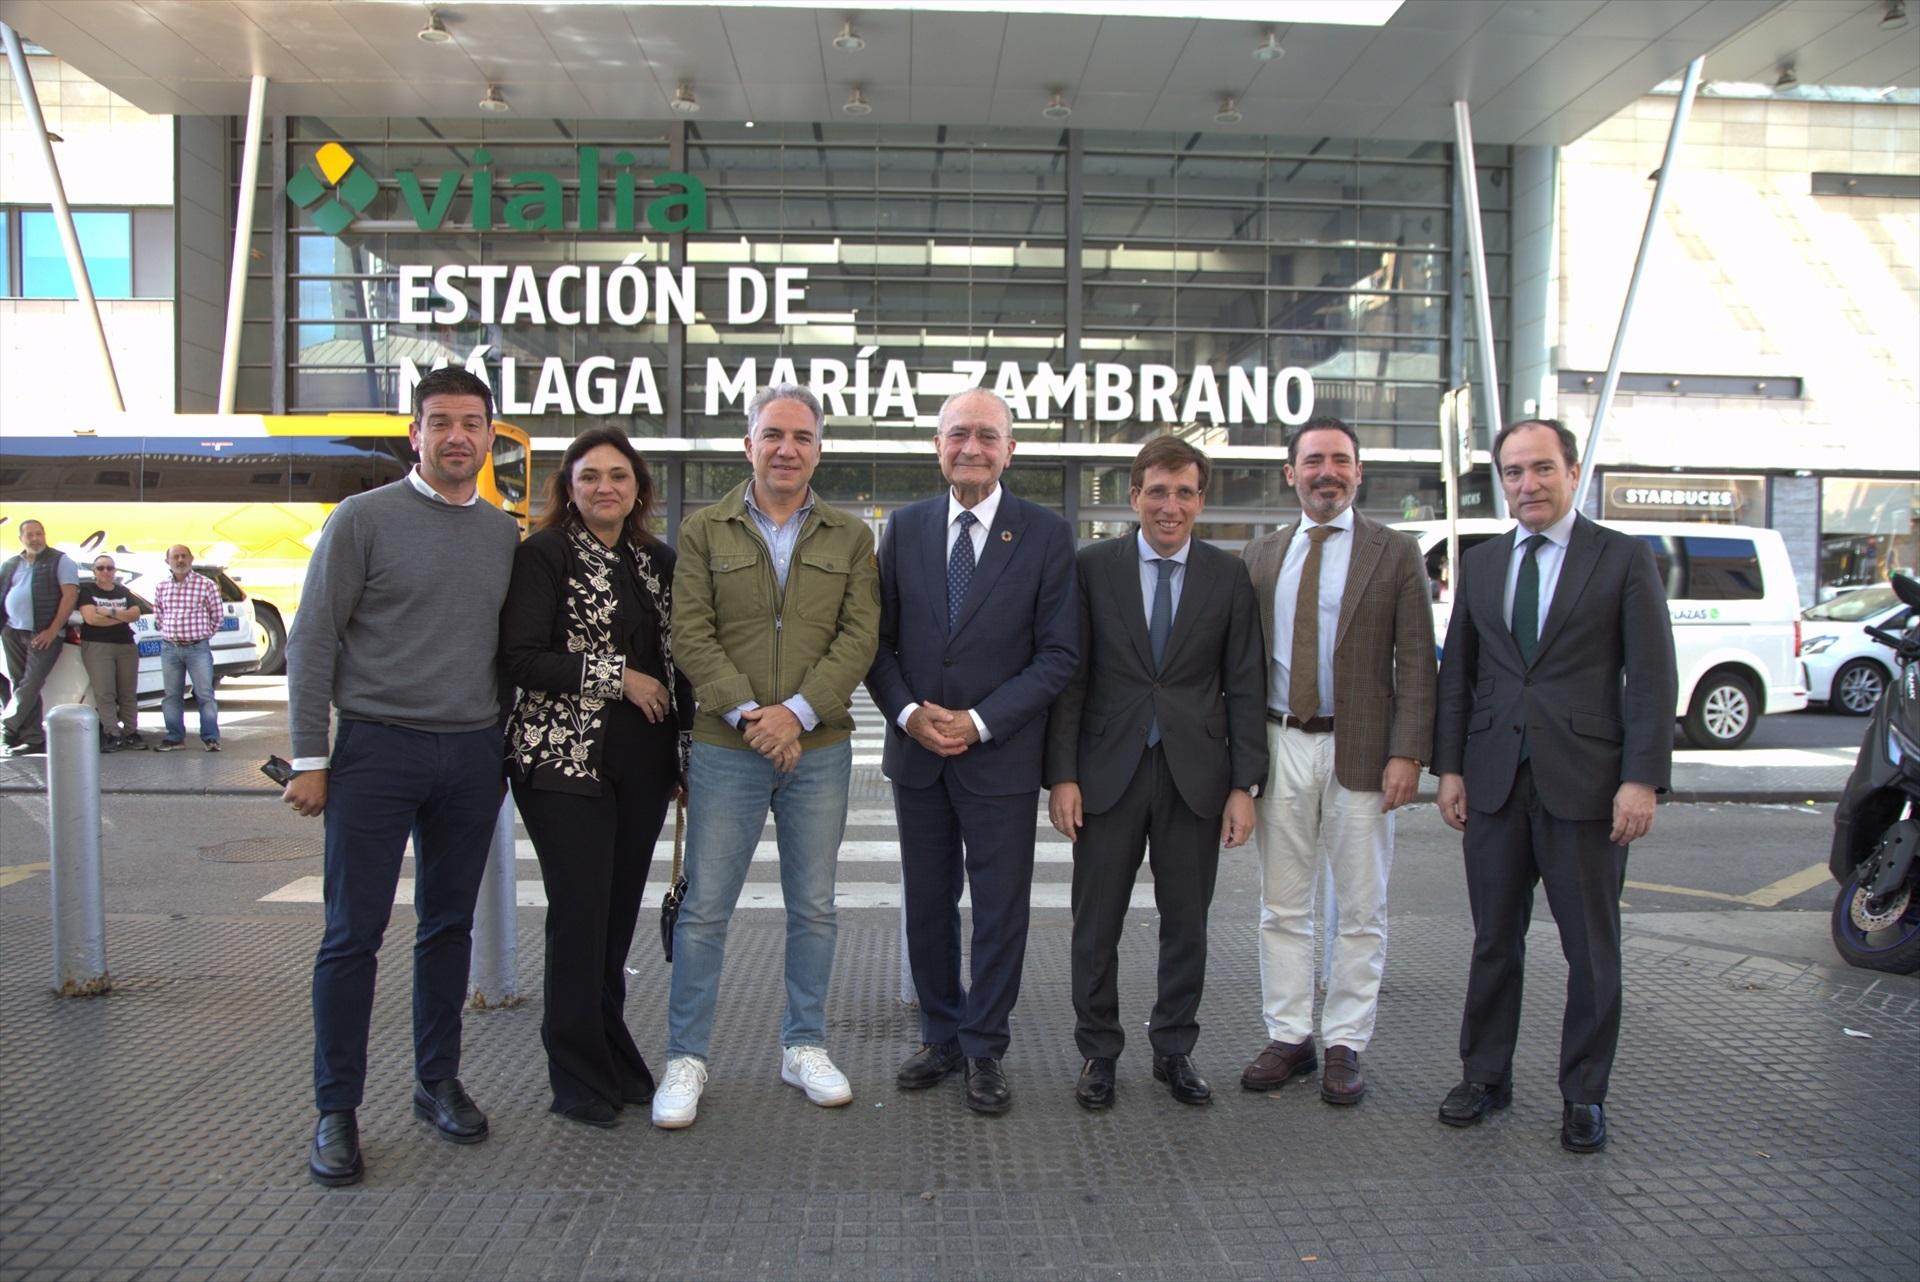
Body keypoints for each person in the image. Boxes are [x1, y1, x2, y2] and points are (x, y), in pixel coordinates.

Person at [281, 366, 520, 1187]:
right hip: (377, 751)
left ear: (490, 435)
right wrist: (311, 757)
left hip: (471, 753)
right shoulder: (363, 520)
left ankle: (436, 1082)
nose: (458, 436)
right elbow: (312, 640)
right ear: (413, 433)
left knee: (448, 928)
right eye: (440, 421)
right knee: (353, 934)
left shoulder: (501, 532)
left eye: (472, 422)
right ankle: (335, 1109)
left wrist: (503, 750)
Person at [1432, 418, 1676, 1155]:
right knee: (1492, 941)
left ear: (1573, 473)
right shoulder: (1480, 565)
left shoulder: (1623, 558)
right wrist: (1450, 768)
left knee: (1591, 951)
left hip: (1590, 788)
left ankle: (1583, 1094)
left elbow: (1652, 679)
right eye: (1513, 472)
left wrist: (1641, 780)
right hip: (1496, 783)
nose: (1527, 485)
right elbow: (1460, 679)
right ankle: (1485, 1076)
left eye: (1541, 469)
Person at [654, 383, 879, 1131]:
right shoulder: (704, 530)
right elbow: (689, 633)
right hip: (728, 746)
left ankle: (804, 1046)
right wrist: (753, 715)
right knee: (706, 909)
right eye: (773, 435)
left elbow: (858, 637)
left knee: (813, 908)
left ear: (819, 450)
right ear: (748, 444)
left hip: (819, 748)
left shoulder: (850, 536)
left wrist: (797, 714)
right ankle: (686, 1058)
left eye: (803, 438)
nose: (788, 449)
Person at [867, 387, 1079, 1115]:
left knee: (998, 910)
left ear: (1009, 450)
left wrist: (980, 721)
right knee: (928, 905)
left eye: (987, 436)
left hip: (1001, 757)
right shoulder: (904, 528)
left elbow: (1058, 655)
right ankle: (941, 1034)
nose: (972, 448)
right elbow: (879, 643)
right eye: (958, 434)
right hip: (918, 754)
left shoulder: (1047, 534)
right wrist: (906, 714)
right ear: (938, 446)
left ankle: (986, 1045)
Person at [1044, 436, 1266, 1111]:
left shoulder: (1229, 578)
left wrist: (1243, 786)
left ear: (1201, 500)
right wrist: (1063, 775)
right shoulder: (1092, 569)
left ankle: (1174, 1048)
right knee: (1096, 924)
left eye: (1186, 493)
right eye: (1158, 492)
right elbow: (1070, 679)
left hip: (1195, 776)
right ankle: (1098, 1052)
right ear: (1135, 495)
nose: (1171, 507)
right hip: (1107, 775)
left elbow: (1246, 686)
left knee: (1187, 924)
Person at [1236, 416, 1436, 1105]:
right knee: (1281, 905)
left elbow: (1415, 661)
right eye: (1314, 460)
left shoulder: (1396, 552)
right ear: (1290, 473)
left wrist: (1408, 752)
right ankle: (1290, 1036)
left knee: (1361, 908)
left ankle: (1347, 1039)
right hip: (1279, 743)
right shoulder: (1260, 556)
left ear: (1358, 472)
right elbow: (1239, 666)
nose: (1328, 471)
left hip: (1363, 750)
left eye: (1341, 460)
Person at [501, 427, 691, 1129]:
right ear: (569, 488)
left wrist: (684, 761)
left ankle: (611, 1050)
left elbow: (680, 666)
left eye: (617, 475)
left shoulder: (656, 561)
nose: (604, 487)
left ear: (638, 487)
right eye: (589, 477)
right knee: (579, 916)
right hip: (562, 761)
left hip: (642, 766)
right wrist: (617, 676)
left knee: (613, 921)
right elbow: (521, 657)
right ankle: (577, 1075)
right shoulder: (544, 555)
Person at [1, 519, 80, 758]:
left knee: (31, 683)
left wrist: (52, 629)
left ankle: (6, 727)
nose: (35, 538)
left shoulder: (60, 560)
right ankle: (33, 738)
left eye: (39, 534)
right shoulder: (11, 563)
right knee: (19, 682)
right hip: (13, 631)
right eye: (30, 535)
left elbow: (69, 597)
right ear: (21, 539)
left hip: (44, 632)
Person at [149, 544, 223, 752]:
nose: (180, 560)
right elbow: (159, 614)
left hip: (197, 648)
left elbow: (217, 616)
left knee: (204, 694)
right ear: (168, 562)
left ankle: (210, 738)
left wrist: (203, 634)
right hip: (170, 649)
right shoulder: (162, 586)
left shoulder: (206, 585)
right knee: (171, 695)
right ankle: (174, 738)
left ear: (191, 559)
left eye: (184, 556)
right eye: (175, 557)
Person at [79, 554, 147, 751]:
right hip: (97, 645)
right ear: (94, 571)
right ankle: (112, 733)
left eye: (109, 568)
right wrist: (122, 618)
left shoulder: (123, 591)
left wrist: (110, 613)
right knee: (105, 692)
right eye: (101, 568)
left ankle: (131, 731)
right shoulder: (87, 590)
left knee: (128, 692)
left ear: (115, 571)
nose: (106, 572)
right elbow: (91, 619)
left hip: (125, 645)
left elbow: (135, 614)